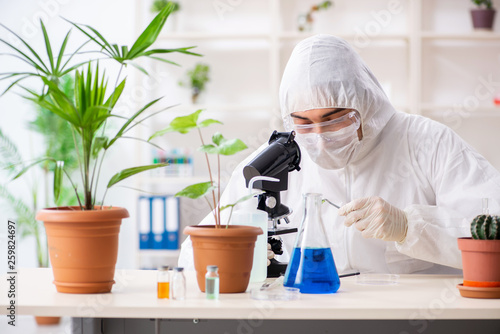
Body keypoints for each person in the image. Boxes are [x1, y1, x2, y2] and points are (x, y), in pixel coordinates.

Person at [179, 34, 500, 274]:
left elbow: (493, 229)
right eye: (303, 123)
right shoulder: (274, 162)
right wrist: (237, 253)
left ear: (366, 105)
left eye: (333, 120)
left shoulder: (426, 142)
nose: (318, 137)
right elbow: (193, 252)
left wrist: (411, 226)